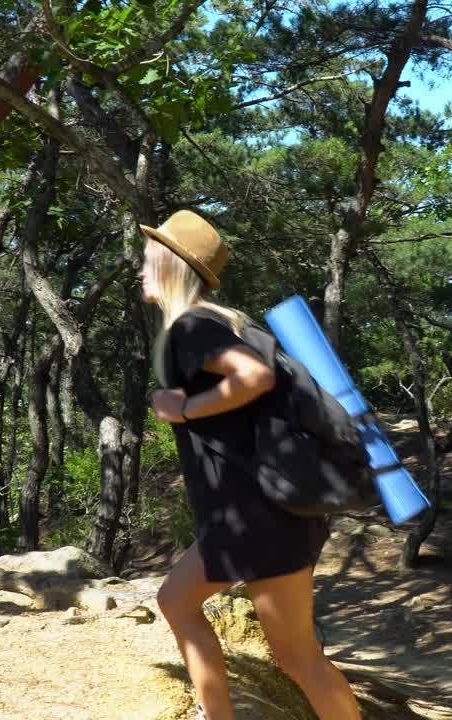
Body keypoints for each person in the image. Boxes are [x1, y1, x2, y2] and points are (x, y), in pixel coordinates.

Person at [139, 210, 362, 720]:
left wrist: (184, 408)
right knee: (178, 601)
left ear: (173, 265)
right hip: (265, 513)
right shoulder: (228, 322)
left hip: (258, 518)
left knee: (297, 656)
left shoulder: (192, 326)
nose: (141, 269)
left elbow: (253, 377)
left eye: (149, 259)